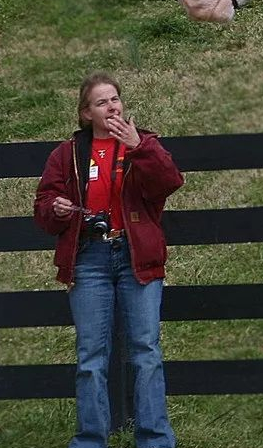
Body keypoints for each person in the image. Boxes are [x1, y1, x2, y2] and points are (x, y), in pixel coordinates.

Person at [33, 72, 183, 448]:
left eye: (115, 99)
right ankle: (90, 440)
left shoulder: (143, 141)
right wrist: (59, 208)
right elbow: (43, 209)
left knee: (146, 351)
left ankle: (155, 439)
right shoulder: (66, 154)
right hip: (89, 259)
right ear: (86, 113)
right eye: (102, 102)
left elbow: (169, 182)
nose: (112, 106)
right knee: (91, 356)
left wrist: (139, 147)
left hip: (136, 257)